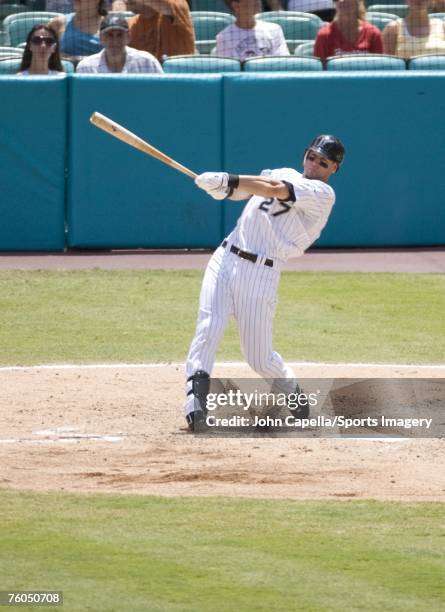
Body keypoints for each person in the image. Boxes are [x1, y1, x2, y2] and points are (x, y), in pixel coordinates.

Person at [184, 135, 345, 431]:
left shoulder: (322, 194)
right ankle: (195, 407)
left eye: (323, 162)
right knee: (209, 328)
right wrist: (222, 188)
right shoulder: (284, 171)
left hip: (261, 273)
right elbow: (250, 188)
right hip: (225, 257)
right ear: (305, 155)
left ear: (333, 168)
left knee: (258, 358)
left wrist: (229, 179)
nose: (315, 164)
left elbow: (274, 190)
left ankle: (289, 387)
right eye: (312, 156)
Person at [110, 0, 195, 61]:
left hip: (181, 77)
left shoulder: (178, 4)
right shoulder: (131, 26)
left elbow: (165, 6)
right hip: (148, 81)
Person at [76, 14, 163, 72]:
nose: (115, 41)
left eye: (120, 35)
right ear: (101, 38)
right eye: (110, 35)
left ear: (128, 37)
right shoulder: (86, 67)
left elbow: (163, 93)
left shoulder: (147, 62)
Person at [216, 0, 289, 60]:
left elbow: (284, 62)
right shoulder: (224, 37)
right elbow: (229, 70)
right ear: (236, 6)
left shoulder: (275, 29)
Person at [314, 0, 383, 60]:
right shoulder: (324, 35)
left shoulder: (373, 33)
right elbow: (321, 71)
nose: (341, 1)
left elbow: (379, 68)